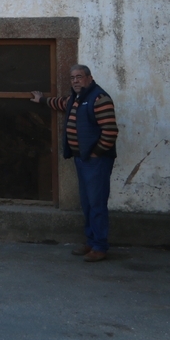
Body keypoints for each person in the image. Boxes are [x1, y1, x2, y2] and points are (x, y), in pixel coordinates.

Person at [31, 65, 118, 262]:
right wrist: (42, 100)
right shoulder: (76, 99)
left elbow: (110, 131)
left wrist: (96, 153)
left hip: (96, 161)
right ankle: (91, 241)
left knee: (97, 203)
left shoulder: (99, 98)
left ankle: (100, 246)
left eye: (79, 77)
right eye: (72, 78)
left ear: (89, 78)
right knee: (87, 203)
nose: (75, 81)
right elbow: (62, 103)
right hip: (82, 159)